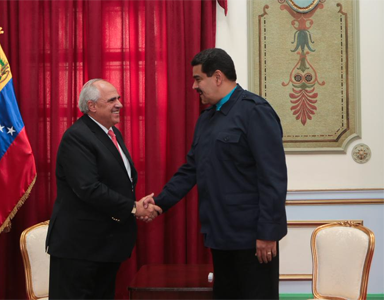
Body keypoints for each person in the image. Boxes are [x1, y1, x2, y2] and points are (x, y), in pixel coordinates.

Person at [145, 48, 288, 300]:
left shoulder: (255, 111)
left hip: (252, 239)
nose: (193, 86)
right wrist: (158, 202)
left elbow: (273, 177)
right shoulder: (207, 119)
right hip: (220, 235)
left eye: (198, 79)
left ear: (218, 77)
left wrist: (268, 233)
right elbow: (191, 170)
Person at [46, 79, 162, 300]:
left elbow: (119, 182)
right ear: (92, 106)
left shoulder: (112, 134)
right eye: (112, 100)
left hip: (106, 246)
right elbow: (88, 187)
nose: (120, 104)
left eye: (118, 98)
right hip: (79, 248)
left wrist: (136, 205)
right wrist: (133, 208)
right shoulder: (77, 136)